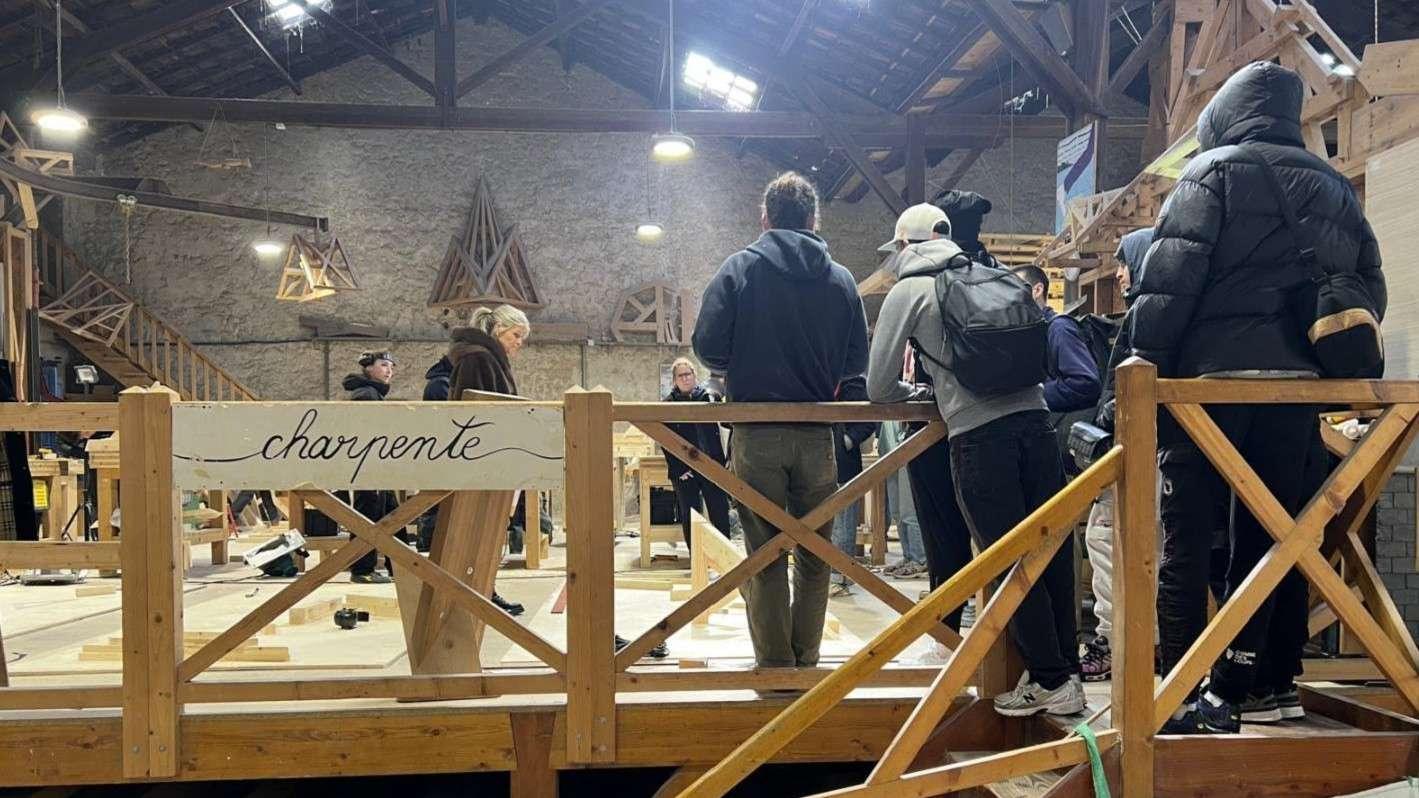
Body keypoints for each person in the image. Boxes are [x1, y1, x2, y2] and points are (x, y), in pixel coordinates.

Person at [1128, 61, 1385, 733]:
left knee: (1186, 534)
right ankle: (1259, 682)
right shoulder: (1332, 185)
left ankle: (1181, 689)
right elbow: (1370, 289)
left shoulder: (1212, 171)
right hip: (1295, 392)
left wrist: (1138, 370)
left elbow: (1169, 281)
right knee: (1278, 538)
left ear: (1227, 111)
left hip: (1204, 387)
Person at [868, 202, 1083, 717]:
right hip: (1037, 425)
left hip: (978, 435)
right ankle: (1065, 671)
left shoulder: (908, 290)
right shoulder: (991, 274)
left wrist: (925, 394)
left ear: (903, 246)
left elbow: (878, 385)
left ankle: (1051, 680)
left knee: (1004, 560)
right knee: (1047, 552)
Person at [692, 171, 869, 670]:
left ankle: (775, 669)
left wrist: (742, 361)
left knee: (763, 554)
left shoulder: (739, 269)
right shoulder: (840, 278)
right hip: (818, 436)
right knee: (816, 555)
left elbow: (706, 346)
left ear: (765, 217)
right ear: (814, 218)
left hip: (756, 430)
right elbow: (857, 360)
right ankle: (806, 662)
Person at [1075, 228, 1151, 681]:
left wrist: (1104, 417)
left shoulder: (1147, 312)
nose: (1119, 273)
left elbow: (1125, 384)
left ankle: (1116, 644)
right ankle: (1137, 644)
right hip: (1148, 453)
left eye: (1124, 263)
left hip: (1141, 455)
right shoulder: (1146, 309)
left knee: (1106, 542)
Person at [444, 304, 532, 616]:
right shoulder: (477, 358)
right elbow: (473, 411)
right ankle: (474, 593)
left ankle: (483, 589)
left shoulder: (488, 358)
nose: (519, 342)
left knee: (489, 529)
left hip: (494, 457)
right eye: (516, 334)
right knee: (476, 528)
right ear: (497, 330)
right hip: (483, 460)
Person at [1011, 265, 1101, 419]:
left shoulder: (1060, 328)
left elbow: (1085, 383)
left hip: (1065, 431)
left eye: (1014, 288)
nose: (1009, 297)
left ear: (1037, 290)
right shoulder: (1033, 333)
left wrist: (1027, 396)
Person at [662, 357, 732, 550]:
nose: (685, 378)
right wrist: (679, 470)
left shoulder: (708, 398)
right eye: (680, 375)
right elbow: (665, 441)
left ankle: (725, 558)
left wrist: (723, 460)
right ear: (674, 380)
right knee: (691, 516)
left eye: (688, 374)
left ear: (694, 375)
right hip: (685, 470)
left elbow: (723, 428)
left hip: (711, 465)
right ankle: (697, 562)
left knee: (720, 513)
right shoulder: (667, 404)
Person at [342, 351, 398, 584]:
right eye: (383, 365)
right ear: (368, 368)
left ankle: (400, 568)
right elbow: (366, 432)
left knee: (391, 514)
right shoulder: (365, 394)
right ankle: (362, 570)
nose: (389, 370)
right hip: (368, 465)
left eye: (391, 367)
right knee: (368, 516)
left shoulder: (372, 392)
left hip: (375, 464)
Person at [830, 375, 876, 596]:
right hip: (820, 463)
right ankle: (830, 573)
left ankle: (840, 576)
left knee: (844, 523)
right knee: (827, 521)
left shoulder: (852, 379)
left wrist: (846, 441)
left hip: (843, 463)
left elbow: (869, 419)